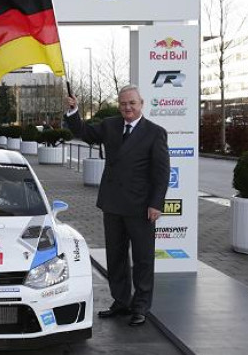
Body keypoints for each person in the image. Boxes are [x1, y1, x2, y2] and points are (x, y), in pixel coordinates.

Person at [63, 84, 170, 327]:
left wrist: (156, 204)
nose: (127, 107)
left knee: (143, 260)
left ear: (141, 104)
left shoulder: (155, 133)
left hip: (141, 208)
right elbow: (83, 132)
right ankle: (121, 301)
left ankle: (140, 306)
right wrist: (74, 111)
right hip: (112, 204)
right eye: (123, 104)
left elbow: (161, 173)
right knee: (116, 257)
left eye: (132, 103)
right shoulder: (110, 125)